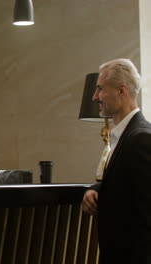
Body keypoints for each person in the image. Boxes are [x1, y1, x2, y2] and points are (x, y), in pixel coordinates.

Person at [82, 58, 151, 263]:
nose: (95, 97)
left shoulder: (141, 138)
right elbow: (123, 183)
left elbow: (147, 215)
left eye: (100, 89)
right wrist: (95, 189)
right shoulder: (125, 136)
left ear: (122, 90)